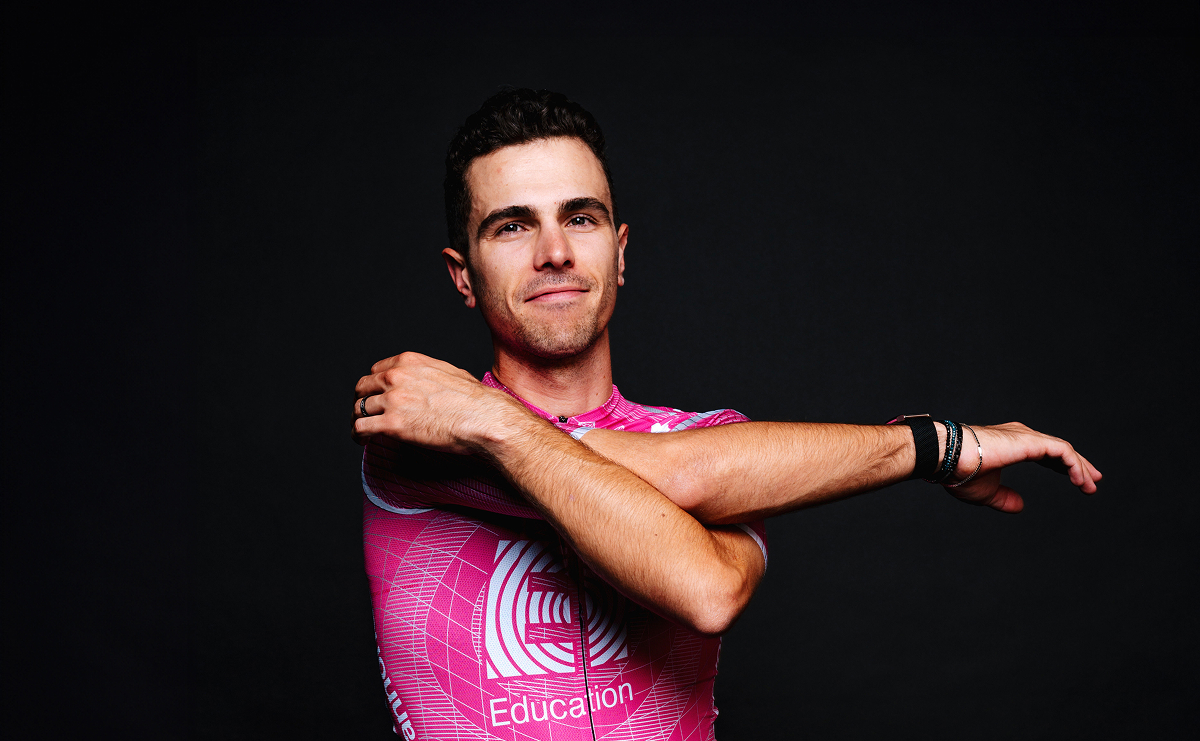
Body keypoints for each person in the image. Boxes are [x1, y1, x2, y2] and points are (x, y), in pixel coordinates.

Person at [351, 88, 1101, 741]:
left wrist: (489, 419)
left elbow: (707, 588)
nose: (554, 251)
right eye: (512, 226)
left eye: (580, 218)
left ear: (620, 253)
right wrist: (936, 447)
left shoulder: (693, 443)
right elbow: (689, 485)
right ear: (463, 276)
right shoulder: (412, 432)